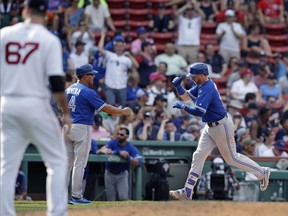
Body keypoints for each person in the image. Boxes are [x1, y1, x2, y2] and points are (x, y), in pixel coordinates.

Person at [0, 1, 71, 215]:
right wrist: (65, 112)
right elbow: (57, 82)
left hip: (7, 104)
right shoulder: (49, 39)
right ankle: (57, 212)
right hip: (35, 103)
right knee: (58, 161)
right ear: (48, 14)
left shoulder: (4, 34)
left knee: (6, 165)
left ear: (25, 10)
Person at [169, 62, 271, 200]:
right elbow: (186, 96)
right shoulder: (201, 84)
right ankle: (187, 191)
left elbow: (199, 112)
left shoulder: (208, 88)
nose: (192, 79)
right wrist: (178, 87)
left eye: (194, 76)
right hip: (209, 127)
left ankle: (262, 172)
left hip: (221, 126)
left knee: (231, 158)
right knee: (198, 156)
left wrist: (183, 107)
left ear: (201, 75)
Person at [64, 63, 132, 204]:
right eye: (91, 74)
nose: (94, 76)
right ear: (84, 76)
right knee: (79, 164)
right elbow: (106, 109)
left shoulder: (68, 89)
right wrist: (123, 111)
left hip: (66, 127)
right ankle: (76, 196)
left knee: (66, 163)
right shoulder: (87, 91)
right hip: (81, 127)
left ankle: (60, 196)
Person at [102, 127, 142, 201]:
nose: (119, 136)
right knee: (110, 200)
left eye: (121, 135)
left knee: (123, 198)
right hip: (109, 173)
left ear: (127, 136)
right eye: (118, 134)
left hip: (122, 174)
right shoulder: (113, 142)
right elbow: (102, 150)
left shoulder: (130, 147)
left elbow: (138, 162)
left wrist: (128, 157)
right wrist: (118, 152)